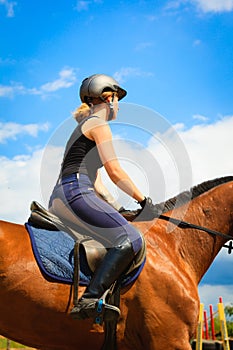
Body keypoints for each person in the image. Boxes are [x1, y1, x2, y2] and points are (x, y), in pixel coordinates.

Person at [48, 74, 158, 320]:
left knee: (120, 229)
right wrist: (144, 201)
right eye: (117, 99)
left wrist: (119, 208)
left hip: (66, 193)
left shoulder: (85, 125)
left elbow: (98, 182)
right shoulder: (99, 124)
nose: (118, 105)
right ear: (108, 98)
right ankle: (89, 300)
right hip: (76, 192)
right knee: (131, 239)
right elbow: (115, 170)